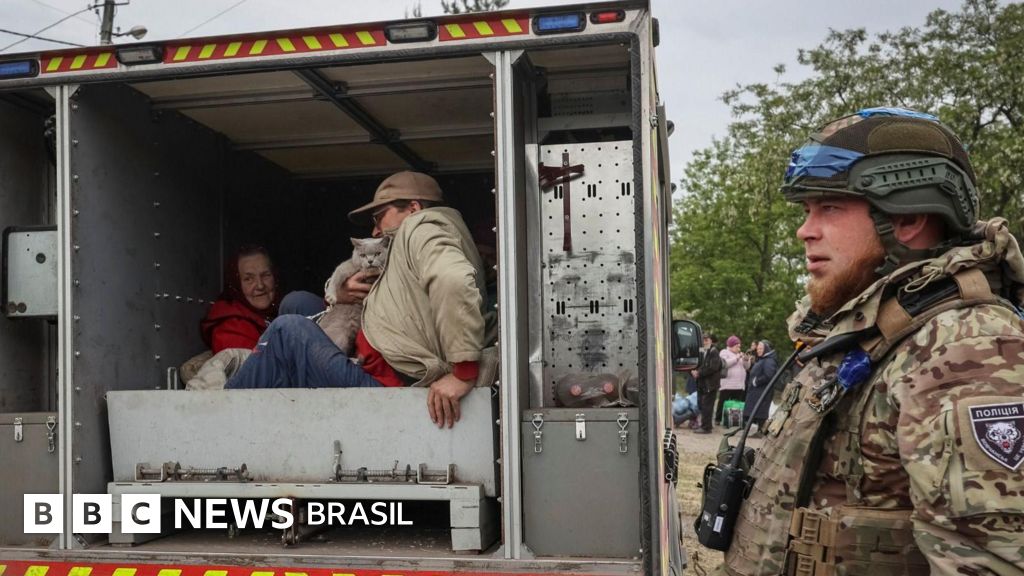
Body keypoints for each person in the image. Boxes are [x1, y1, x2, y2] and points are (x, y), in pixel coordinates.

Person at [719, 108, 1024, 575]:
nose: (805, 230)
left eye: (830, 208)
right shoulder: (871, 334)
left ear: (908, 219)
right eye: (806, 211)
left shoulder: (966, 346)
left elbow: (991, 560)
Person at [226, 171, 494, 429]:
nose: (376, 231)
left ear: (412, 208)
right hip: (373, 356)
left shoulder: (422, 227)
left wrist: (463, 372)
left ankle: (218, 415)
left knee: (288, 329)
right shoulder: (413, 241)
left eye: (380, 218)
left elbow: (453, 279)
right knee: (300, 304)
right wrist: (341, 294)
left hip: (388, 383)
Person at [200, 246, 326, 354]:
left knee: (300, 301)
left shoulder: (281, 309)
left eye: (266, 275)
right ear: (236, 285)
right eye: (249, 279)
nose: (260, 286)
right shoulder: (229, 329)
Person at [740, 339, 776, 436]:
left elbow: (769, 375)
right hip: (756, 391)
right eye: (758, 348)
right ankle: (753, 431)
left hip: (762, 391)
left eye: (761, 348)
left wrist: (756, 381)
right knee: (754, 410)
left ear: (766, 349)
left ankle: (760, 431)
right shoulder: (763, 359)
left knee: (760, 411)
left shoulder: (769, 361)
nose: (758, 350)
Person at [690, 334, 722, 434]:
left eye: (706, 340)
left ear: (711, 341)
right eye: (703, 340)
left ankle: (706, 427)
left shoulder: (714, 351)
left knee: (707, 406)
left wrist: (699, 373)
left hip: (710, 384)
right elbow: (698, 363)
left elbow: (713, 367)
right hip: (702, 383)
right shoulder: (702, 350)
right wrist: (693, 371)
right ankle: (705, 425)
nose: (704, 342)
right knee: (702, 405)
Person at [716, 335, 747, 425]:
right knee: (723, 402)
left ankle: (734, 420)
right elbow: (725, 364)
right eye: (737, 346)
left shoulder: (740, 354)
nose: (739, 348)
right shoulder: (724, 352)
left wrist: (746, 360)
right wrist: (737, 358)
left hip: (739, 384)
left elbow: (747, 367)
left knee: (736, 403)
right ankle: (718, 419)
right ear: (731, 346)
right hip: (728, 383)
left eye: (739, 346)